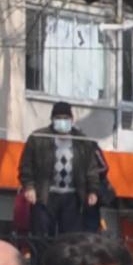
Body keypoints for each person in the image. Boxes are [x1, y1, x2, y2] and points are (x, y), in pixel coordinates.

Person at [18, 103, 107, 245]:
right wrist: (29, 187)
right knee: (41, 238)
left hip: (72, 197)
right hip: (45, 196)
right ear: (52, 119)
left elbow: (91, 169)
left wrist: (93, 191)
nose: (62, 121)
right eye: (58, 118)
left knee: (70, 241)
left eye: (65, 118)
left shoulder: (82, 142)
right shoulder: (38, 138)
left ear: (71, 119)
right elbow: (26, 166)